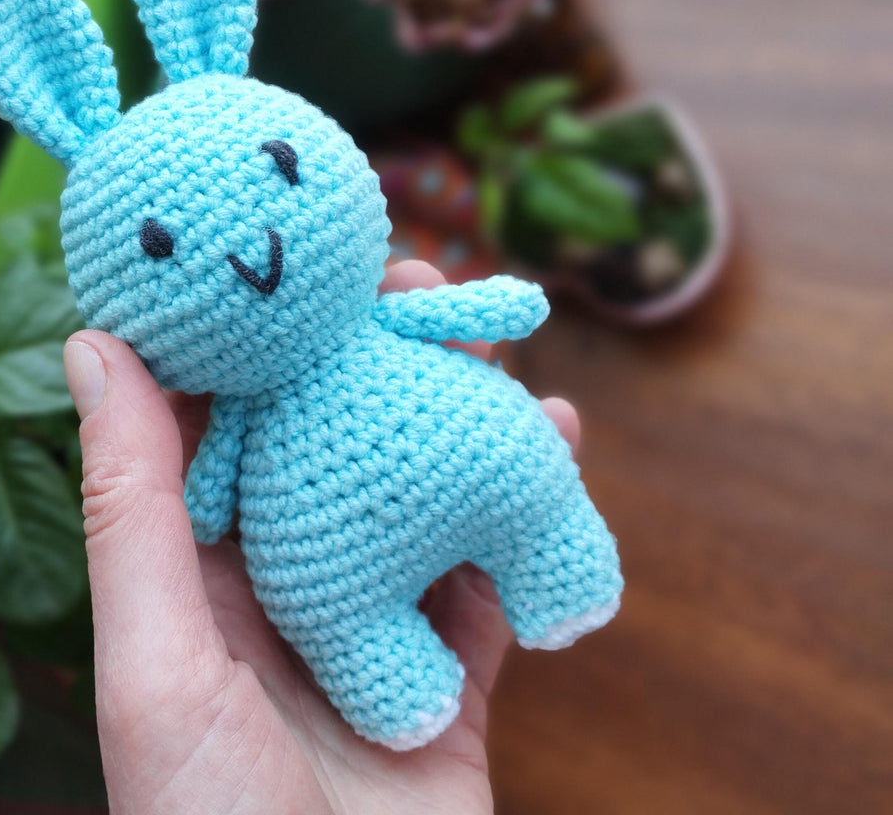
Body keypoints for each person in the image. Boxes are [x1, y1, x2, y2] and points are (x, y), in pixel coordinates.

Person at [62, 260, 583, 814]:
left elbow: (207, 511)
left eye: (286, 163)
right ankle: (417, 662)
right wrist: (510, 304)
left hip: (334, 527)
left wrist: (202, 505)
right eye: (163, 249)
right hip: (418, 484)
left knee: (328, 594)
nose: (246, 256)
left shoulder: (363, 328)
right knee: (511, 470)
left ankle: (548, 563)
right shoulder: (255, 396)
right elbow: (206, 508)